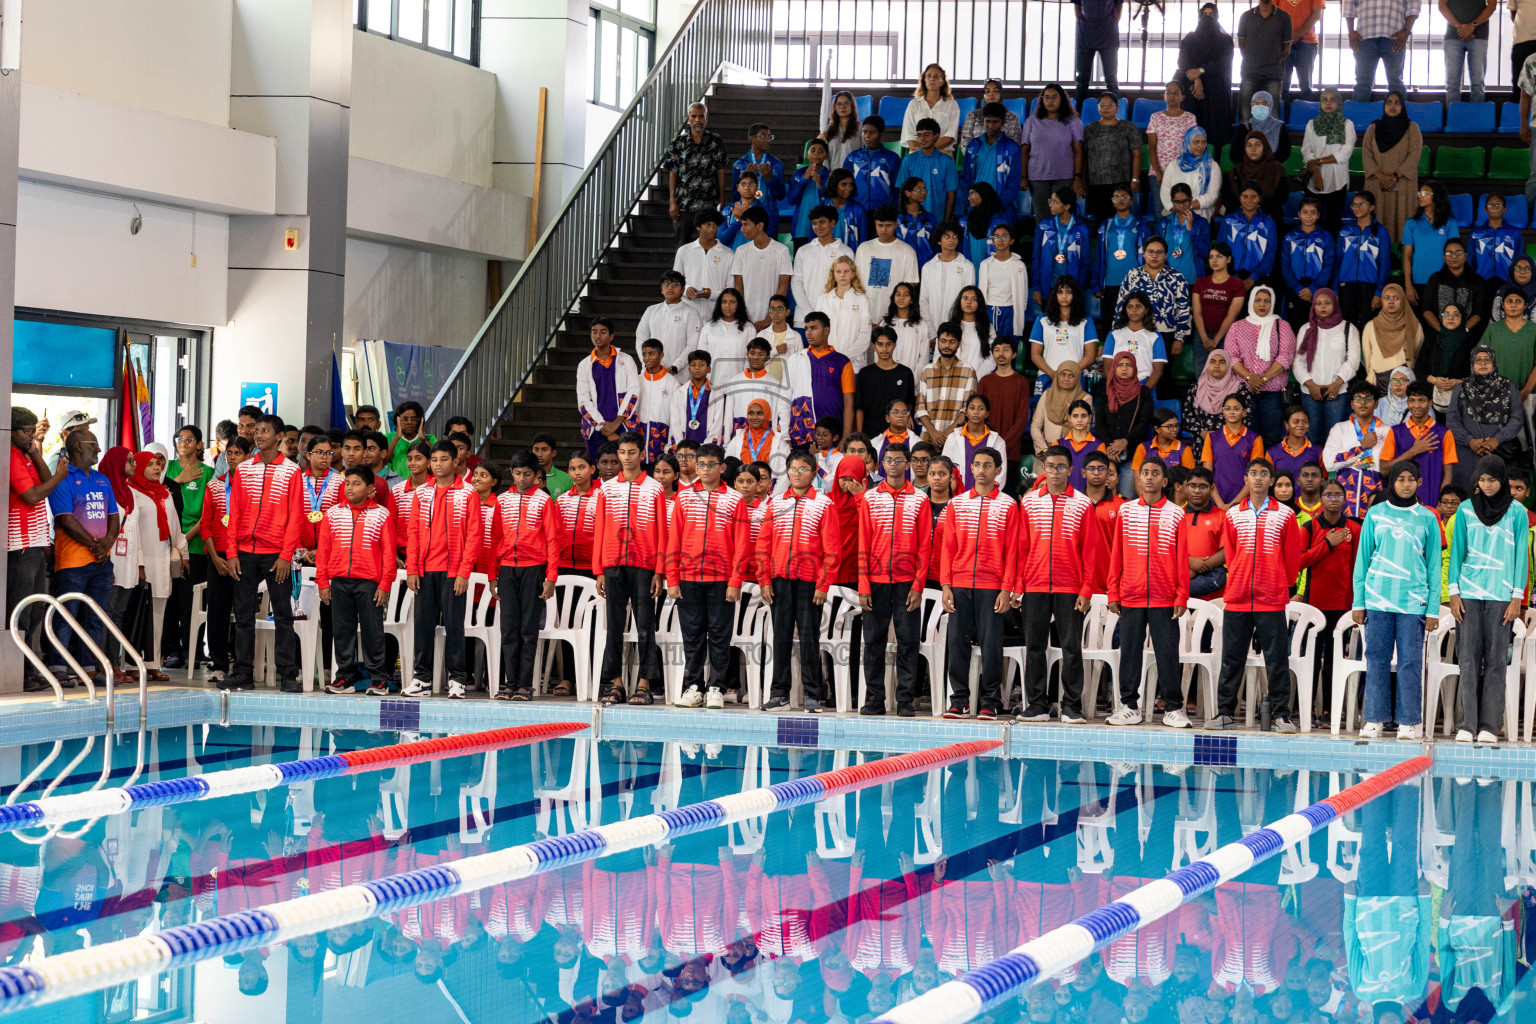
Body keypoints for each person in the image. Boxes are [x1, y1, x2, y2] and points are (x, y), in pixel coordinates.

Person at [1209, 459, 1304, 731]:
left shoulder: (1284, 515)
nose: (1259, 478)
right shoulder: (1233, 515)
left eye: (1264, 474)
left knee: (1276, 659)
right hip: (1238, 597)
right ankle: (1225, 713)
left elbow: (1292, 557)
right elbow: (1230, 554)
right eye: (1254, 474)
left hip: (1271, 598)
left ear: (1271, 480)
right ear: (1246, 479)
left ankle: (1281, 714)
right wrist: (1239, 578)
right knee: (1231, 657)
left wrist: (1279, 583)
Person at [1353, 460, 1440, 739]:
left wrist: (1433, 608)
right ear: (1392, 482)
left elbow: (1434, 566)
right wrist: (1359, 601)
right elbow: (1363, 559)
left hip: (1413, 602)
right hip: (1377, 599)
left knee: (1410, 662)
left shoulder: (1428, 517)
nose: (1405, 484)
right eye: (1400, 479)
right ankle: (1374, 719)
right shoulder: (1376, 514)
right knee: (1376, 658)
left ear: (1419, 483)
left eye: (1410, 479)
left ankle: (1408, 721)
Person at [1015, 445, 1099, 723]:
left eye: (1061, 467)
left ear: (1071, 470)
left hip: (1070, 587)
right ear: (1043, 469)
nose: (1055, 472)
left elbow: (1090, 550)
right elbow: (1021, 548)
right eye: (1050, 467)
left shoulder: (1083, 503)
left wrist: (1086, 590)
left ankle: (1071, 705)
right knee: (1034, 647)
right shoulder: (1029, 502)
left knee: (1071, 648)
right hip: (1035, 585)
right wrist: (1019, 585)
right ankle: (1037, 704)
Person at [1447, 455, 1528, 742]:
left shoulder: (1517, 512)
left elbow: (1521, 557)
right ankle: (1468, 725)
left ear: (1502, 480)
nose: (1487, 484)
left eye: (1492, 479)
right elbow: (1457, 552)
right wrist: (1453, 592)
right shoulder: (1467, 510)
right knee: (1467, 660)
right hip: (1468, 593)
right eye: (1482, 479)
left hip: (1501, 594)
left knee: (1495, 661)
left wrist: (1516, 597)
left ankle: (1489, 726)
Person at [1106, 459, 1191, 727]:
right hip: (1130, 594)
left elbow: (1181, 557)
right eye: (1145, 473)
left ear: (1165, 481)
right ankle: (1129, 706)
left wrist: (1181, 595)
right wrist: (1113, 592)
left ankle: (1173, 709)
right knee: (1129, 651)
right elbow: (1116, 553)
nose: (1150, 478)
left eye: (1156, 473)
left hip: (1164, 597)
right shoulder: (1126, 511)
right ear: (1139, 480)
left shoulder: (1176, 513)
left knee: (1167, 653)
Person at [225, 414, 305, 692]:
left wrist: (286, 556)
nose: (258, 435)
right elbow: (234, 513)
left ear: (279, 436)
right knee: (243, 615)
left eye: (265, 431)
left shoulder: (292, 471)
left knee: (283, 614)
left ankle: (287, 674)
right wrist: (231, 552)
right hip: (244, 552)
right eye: (256, 430)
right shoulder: (244, 470)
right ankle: (243, 672)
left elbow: (297, 517)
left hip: (276, 555)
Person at [667, 444, 748, 711]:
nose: (703, 469)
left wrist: (735, 581)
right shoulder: (684, 497)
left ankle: (716, 687)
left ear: (722, 468)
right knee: (692, 636)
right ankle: (693, 686)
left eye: (710, 464)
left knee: (719, 635)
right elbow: (674, 540)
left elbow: (742, 544)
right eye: (699, 464)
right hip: (688, 577)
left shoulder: (734, 499)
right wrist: (672, 578)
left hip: (722, 579)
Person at [758, 451, 839, 712]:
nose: (797, 474)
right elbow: (763, 545)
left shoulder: (824, 504)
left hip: (809, 583)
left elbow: (832, 550)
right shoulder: (776, 503)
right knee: (780, 637)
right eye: (792, 469)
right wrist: (764, 580)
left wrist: (822, 584)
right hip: (779, 580)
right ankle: (779, 693)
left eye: (803, 469)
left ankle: (813, 695)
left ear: (814, 473)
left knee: (809, 639)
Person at [592, 432, 669, 706]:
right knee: (613, 626)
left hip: (645, 564)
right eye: (622, 453)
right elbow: (599, 529)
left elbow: (662, 532)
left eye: (631, 452)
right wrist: (598, 569)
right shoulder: (607, 488)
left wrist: (660, 570)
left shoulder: (655, 488)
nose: (626, 458)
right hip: (613, 564)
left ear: (642, 453)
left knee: (645, 626)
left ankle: (645, 684)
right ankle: (615, 684)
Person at [856, 443, 932, 717]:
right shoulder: (870, 498)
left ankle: (905, 700)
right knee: (873, 643)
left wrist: (917, 585)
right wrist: (863, 584)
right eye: (887, 460)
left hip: (906, 583)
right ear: (881, 463)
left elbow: (925, 546)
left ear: (908, 463)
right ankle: (874, 700)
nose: (892, 465)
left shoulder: (919, 500)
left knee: (908, 643)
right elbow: (863, 544)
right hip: (875, 582)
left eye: (898, 460)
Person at [402, 440, 481, 699]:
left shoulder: (467, 493)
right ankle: (421, 679)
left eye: (443, 459)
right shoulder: (422, 493)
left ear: (456, 461)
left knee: (454, 627)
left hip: (452, 571)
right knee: (422, 626)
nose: (438, 464)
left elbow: (474, 536)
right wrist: (412, 568)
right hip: (424, 570)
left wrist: (463, 572)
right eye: (434, 460)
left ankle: (457, 679)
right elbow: (412, 533)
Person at [44, 428, 120, 689]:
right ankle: (59, 667)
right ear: (78, 447)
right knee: (67, 615)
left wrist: (106, 544)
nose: (99, 450)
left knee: (95, 616)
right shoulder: (63, 479)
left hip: (101, 561)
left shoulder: (102, 480)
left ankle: (88, 667)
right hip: (73, 562)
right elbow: (65, 519)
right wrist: (94, 545)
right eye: (94, 445)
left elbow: (113, 516)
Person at [315, 464, 396, 697]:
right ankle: (345, 678)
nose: (350, 488)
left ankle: (378, 679)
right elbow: (323, 552)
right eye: (347, 483)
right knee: (342, 631)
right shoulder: (332, 514)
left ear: (370, 488)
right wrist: (323, 582)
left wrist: (384, 584)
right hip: (339, 582)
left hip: (370, 584)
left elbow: (389, 554)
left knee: (373, 631)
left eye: (356, 483)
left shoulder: (382, 514)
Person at [8, 408, 66, 683]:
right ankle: (19, 671)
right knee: (21, 611)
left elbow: (44, 480)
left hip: (36, 542)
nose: (32, 435)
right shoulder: (9, 455)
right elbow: (32, 495)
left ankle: (29, 668)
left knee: (35, 612)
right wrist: (59, 478)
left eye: (34, 430)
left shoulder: (25, 455)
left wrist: (34, 452)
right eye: (27, 431)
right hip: (19, 545)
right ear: (12, 430)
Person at [1224, 284, 1297, 445]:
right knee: (1247, 437)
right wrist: (1250, 377)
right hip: (1244, 389)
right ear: (1251, 302)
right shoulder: (1237, 327)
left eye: (1267, 301)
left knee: (1271, 436)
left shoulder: (1282, 326)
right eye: (1258, 300)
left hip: (1273, 392)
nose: (1262, 304)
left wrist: (1261, 379)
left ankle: (1269, 469)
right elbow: (1232, 357)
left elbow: (1286, 357)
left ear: (1272, 303)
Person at [1448, 346, 1527, 489]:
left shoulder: (1508, 387)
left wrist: (1497, 439)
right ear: (1472, 364)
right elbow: (1452, 419)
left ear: (1494, 362)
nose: (1483, 363)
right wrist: (1469, 441)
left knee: (1498, 494)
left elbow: (1517, 418)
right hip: (1468, 453)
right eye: (1478, 360)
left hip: (1499, 451)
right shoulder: (1462, 388)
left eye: (1487, 360)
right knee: (1468, 494)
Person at [1111, 237, 1193, 368]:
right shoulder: (1133, 275)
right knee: (1136, 372)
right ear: (1144, 254)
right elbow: (1120, 307)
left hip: (1166, 334)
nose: (1155, 256)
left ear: (1165, 255)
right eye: (1150, 252)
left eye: (1159, 252)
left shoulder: (1177, 277)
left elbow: (1184, 309)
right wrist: (1115, 335)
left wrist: (1179, 339)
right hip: (1136, 333)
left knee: (1162, 377)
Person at [1294, 288, 1360, 445]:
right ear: (1313, 306)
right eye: (1318, 303)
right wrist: (1310, 384)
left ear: (1335, 304)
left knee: (1335, 438)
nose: (1323, 307)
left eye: (1327, 303)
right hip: (1310, 392)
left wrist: (1337, 384)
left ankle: (1333, 469)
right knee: (1311, 437)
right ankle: (1314, 469)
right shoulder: (1306, 329)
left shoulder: (1348, 328)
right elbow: (1298, 361)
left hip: (1338, 392)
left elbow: (1353, 360)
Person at [1359, 93, 1423, 247]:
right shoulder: (1373, 128)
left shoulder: (1411, 128)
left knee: (1402, 219)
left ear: (1402, 106)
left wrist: (1394, 176)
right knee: (1378, 219)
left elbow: (1414, 154)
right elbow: (1366, 154)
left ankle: (1401, 260)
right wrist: (1381, 176)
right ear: (1384, 106)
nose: (1393, 106)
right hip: (1377, 184)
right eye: (1389, 102)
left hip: (1403, 185)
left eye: (1397, 102)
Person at [1381, 379, 1459, 504]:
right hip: (1401, 503)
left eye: (1421, 400)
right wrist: (1414, 451)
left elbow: (1448, 474)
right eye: (1412, 400)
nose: (1416, 405)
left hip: (1433, 502)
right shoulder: (1395, 432)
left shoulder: (1444, 433)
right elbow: (1384, 470)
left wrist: (1441, 502)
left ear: (1430, 403)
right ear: (1407, 403)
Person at [784, 312, 856, 446]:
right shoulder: (797, 359)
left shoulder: (842, 361)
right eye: (806, 329)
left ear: (826, 330)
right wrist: (784, 434)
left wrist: (846, 435)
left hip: (834, 433)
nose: (808, 333)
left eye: (813, 328)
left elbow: (848, 401)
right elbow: (785, 398)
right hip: (803, 433)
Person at [664, 102, 730, 246]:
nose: (697, 120)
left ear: (707, 118)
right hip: (684, 205)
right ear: (688, 118)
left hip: (709, 203)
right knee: (682, 245)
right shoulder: (678, 142)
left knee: (710, 245)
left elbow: (720, 170)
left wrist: (722, 199)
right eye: (694, 116)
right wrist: (672, 202)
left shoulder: (715, 141)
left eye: (701, 116)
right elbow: (673, 171)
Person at [576, 318, 640, 461]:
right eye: (594, 332)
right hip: (596, 429)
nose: (598, 336)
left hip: (624, 425)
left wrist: (616, 422)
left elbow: (634, 391)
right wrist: (604, 428)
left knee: (627, 470)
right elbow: (583, 401)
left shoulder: (626, 360)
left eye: (603, 332)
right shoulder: (584, 365)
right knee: (597, 471)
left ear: (611, 336)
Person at [1177, 3, 1237, 152]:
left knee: (1215, 131)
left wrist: (1202, 71)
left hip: (1217, 93)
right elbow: (1183, 61)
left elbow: (1223, 63)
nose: (1208, 18)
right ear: (1199, 16)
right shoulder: (1189, 39)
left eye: (1211, 15)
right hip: (1193, 92)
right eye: (1205, 14)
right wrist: (1197, 79)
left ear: (1217, 17)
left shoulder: (1225, 40)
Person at [1019, 85, 1086, 218]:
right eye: (1047, 97)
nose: (1050, 101)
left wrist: (1078, 177)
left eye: (1054, 97)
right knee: (1042, 217)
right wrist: (1023, 177)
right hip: (1037, 178)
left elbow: (1078, 151)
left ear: (1062, 99)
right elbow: (1024, 151)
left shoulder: (1072, 121)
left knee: (1063, 217)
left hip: (1064, 177)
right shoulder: (1031, 121)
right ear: (1042, 100)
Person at [1324, 381, 1391, 515]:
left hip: (1376, 489)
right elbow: (1329, 463)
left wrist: (1353, 459)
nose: (1363, 402)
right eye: (1358, 399)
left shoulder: (1387, 431)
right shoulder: (1340, 429)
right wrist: (1361, 447)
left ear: (1376, 404)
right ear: (1352, 404)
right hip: (1346, 488)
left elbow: (1386, 466)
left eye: (1368, 399)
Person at [1094, 351, 1155, 496]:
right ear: (1114, 368)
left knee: (1127, 500)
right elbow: (1099, 423)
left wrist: (1125, 441)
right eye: (1120, 365)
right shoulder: (1106, 391)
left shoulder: (1143, 393)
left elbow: (1144, 423)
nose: (1124, 368)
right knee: (1104, 500)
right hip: (1108, 455)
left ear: (1135, 368)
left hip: (1132, 455)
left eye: (1128, 365)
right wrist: (1111, 446)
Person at [1335, 191, 1395, 332]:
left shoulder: (1381, 232)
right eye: (1354, 204)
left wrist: (1379, 292)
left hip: (1370, 286)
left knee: (1369, 327)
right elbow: (1338, 262)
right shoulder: (1345, 231)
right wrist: (1335, 288)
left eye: (1362, 204)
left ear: (1372, 207)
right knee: (1347, 327)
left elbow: (1384, 264)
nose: (1357, 207)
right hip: (1347, 285)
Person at [977, 337, 1032, 490]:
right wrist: (990, 445)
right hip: (986, 449)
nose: (1001, 354)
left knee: (1007, 497)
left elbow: (1022, 420)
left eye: (1006, 350)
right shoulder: (985, 382)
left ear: (1014, 354)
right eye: (997, 350)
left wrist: (1002, 445)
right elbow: (978, 416)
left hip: (1011, 452)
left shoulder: (1022, 382)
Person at [1091, 186, 1146, 330]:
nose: (1119, 200)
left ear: (1131, 200)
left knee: (1133, 327)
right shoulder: (1105, 225)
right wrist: (1096, 283)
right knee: (1111, 327)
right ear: (1112, 202)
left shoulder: (1140, 225)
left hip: (1134, 283)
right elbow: (1099, 256)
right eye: (1116, 197)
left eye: (1124, 196)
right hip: (1110, 283)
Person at [1083, 93, 1144, 223]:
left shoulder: (1128, 127)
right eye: (1102, 105)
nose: (1105, 108)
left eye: (1109, 105)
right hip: (1096, 183)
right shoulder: (1090, 129)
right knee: (1101, 220)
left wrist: (1135, 179)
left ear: (1117, 107)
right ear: (1098, 108)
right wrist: (1083, 180)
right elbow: (1084, 156)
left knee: (1122, 217)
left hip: (1121, 182)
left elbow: (1137, 154)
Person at [730, 208, 795, 328]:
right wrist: (743, 317)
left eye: (746, 225)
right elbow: (738, 288)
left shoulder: (781, 251)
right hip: (745, 319)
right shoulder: (741, 251)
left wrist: (768, 318)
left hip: (773, 320)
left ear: (759, 225)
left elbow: (783, 288)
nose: (742, 229)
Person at [1343, 0, 1418, 100]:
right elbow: (1349, 4)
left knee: (1395, 82)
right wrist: (1351, 32)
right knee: (1362, 84)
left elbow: (1414, 5)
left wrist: (1406, 31)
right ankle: (1359, 115)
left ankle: (1401, 116)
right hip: (1364, 37)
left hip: (1394, 37)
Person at [855, 206, 920, 321]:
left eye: (888, 226)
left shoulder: (907, 251)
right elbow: (856, 283)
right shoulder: (863, 248)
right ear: (875, 223)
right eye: (880, 225)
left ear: (896, 224)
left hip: (894, 317)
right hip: (864, 315)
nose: (883, 230)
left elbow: (909, 287)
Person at [1282, 200, 1337, 334]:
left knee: (1317, 328)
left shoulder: (1326, 237)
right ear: (1299, 214)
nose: (1308, 216)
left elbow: (1328, 265)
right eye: (1305, 212)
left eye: (1313, 213)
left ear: (1318, 215)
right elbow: (1285, 264)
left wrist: (1313, 288)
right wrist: (1297, 287)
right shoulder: (1290, 237)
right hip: (1295, 289)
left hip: (1317, 288)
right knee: (1295, 327)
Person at [1421, 239, 1485, 355]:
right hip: (1438, 334)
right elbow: (1426, 310)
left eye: (1458, 252)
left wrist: (1462, 330)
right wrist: (1442, 330)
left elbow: (1478, 313)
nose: (1454, 256)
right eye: (1449, 253)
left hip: (1466, 335)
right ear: (1444, 257)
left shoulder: (1477, 281)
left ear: (1465, 255)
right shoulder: (1435, 279)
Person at [1403, 182, 1461, 310]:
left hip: (1443, 281)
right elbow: (1407, 257)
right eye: (1420, 193)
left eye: (1425, 193)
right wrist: (1408, 285)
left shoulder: (1449, 223)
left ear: (1436, 196)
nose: (1420, 196)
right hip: (1418, 281)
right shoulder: (1411, 223)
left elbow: (1455, 255)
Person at [1203, 393, 1266, 507]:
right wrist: (1220, 504)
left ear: (1244, 412)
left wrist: (1233, 504)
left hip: (1244, 503)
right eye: (1227, 408)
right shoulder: (1211, 438)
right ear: (1223, 412)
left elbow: (1254, 476)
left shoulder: (1255, 439)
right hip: (1215, 502)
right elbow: (1207, 475)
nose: (1232, 412)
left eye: (1236, 408)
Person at [816, 254, 878, 370]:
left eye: (846, 271)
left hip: (854, 365)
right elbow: (817, 333)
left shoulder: (861, 299)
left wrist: (844, 356)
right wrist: (829, 355)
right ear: (833, 274)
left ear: (853, 274)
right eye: (838, 271)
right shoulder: (823, 300)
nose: (842, 275)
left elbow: (865, 334)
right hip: (826, 363)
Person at [959, 105, 1023, 216]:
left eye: (995, 122)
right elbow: (965, 177)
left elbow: (1014, 182)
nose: (990, 125)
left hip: (1001, 208)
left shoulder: (1012, 148)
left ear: (1002, 122)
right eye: (987, 121)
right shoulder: (973, 146)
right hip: (975, 205)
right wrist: (969, 201)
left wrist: (999, 204)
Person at [1146, 84, 1198, 218]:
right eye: (1168, 93)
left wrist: (1185, 172)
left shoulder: (1189, 118)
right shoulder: (1155, 117)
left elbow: (1192, 146)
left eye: (1176, 93)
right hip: (1159, 171)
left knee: (1182, 211)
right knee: (1160, 212)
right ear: (1164, 96)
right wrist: (1158, 172)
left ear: (1182, 97)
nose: (1172, 96)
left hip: (1182, 171)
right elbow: (1151, 147)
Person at [635, 270, 703, 374]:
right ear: (662, 289)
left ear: (683, 289)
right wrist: (647, 362)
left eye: (675, 284)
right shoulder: (651, 311)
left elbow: (692, 344)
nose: (670, 287)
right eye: (666, 284)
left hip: (678, 374)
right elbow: (641, 338)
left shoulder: (691, 313)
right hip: (651, 372)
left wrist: (675, 367)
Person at [1478, 287, 1536, 408]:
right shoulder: (1493, 329)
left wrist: (1525, 391)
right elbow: (1480, 361)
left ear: (1525, 306)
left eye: (1518, 301)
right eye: (1509, 301)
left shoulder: (1533, 330)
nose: (1513, 305)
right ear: (1503, 305)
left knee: (1530, 426)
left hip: (1529, 394)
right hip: (1496, 393)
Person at [855, 327, 917, 437]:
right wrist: (860, 435)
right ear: (874, 346)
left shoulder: (905, 373)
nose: (884, 349)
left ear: (894, 345)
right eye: (880, 344)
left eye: (888, 344)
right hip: (871, 432)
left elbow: (909, 403)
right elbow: (860, 408)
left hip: (898, 432)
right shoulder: (865, 374)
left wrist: (906, 415)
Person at [1183, 349, 1249, 453]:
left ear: (1228, 365)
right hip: (1202, 443)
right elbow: (1187, 417)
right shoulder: (1196, 389)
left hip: (1231, 443)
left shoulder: (1239, 389)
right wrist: (1202, 433)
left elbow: (1246, 417)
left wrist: (1226, 435)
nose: (1217, 365)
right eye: (1212, 361)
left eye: (1222, 362)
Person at [674, 209, 734, 321]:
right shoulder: (684, 251)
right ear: (698, 227)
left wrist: (712, 294)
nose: (712, 229)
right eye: (707, 225)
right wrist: (686, 290)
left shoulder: (728, 254)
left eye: (715, 225)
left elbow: (730, 287)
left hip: (716, 315)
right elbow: (676, 281)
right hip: (688, 313)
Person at [1218, 182, 1280, 288]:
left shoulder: (1268, 223)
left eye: (1253, 197)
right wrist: (1233, 274)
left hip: (1258, 277)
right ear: (1240, 198)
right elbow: (1220, 249)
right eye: (1245, 196)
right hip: (1230, 275)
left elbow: (1270, 253)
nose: (1249, 201)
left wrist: (1253, 278)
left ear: (1259, 198)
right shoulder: (1229, 220)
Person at [897, 119, 959, 225]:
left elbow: (951, 193)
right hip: (912, 220)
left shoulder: (947, 161)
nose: (922, 139)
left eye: (927, 134)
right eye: (919, 135)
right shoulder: (908, 160)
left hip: (938, 219)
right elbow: (902, 191)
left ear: (936, 136)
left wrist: (947, 220)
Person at [1236, 2, 1294, 115]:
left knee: (1273, 116)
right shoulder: (1246, 16)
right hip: (1249, 73)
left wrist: (1272, 59)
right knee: (1245, 116)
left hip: (1273, 75)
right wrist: (1253, 60)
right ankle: (1248, 134)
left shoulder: (1284, 17)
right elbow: (1242, 46)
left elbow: (1286, 49)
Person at [942, 394, 1009, 491]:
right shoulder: (953, 438)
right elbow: (945, 468)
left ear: (987, 414)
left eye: (981, 408)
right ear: (966, 413)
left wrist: (987, 494)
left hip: (987, 497)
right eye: (972, 408)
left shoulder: (998, 442)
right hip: (957, 496)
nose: (976, 412)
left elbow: (1000, 474)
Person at [1361, 283, 1422, 387]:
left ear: (1403, 300)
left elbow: (1417, 352)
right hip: (1377, 382)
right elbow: (1367, 358)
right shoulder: (1371, 326)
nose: (1391, 302)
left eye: (1396, 298)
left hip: (1404, 383)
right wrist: (1372, 378)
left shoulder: (1414, 325)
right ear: (1382, 301)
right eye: (1386, 298)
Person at [977, 224, 1029, 342]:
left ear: (1012, 240)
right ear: (993, 241)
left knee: (1009, 344)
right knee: (990, 344)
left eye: (1004, 236)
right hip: (990, 310)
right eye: (996, 237)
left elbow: (1023, 295)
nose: (1000, 240)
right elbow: (981, 291)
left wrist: (1019, 311)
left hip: (1011, 311)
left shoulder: (1019, 265)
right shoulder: (985, 264)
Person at [1419, 301, 1474, 413]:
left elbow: (1478, 374)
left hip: (1462, 401)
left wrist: (1458, 382)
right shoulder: (1432, 340)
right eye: (1446, 314)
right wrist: (1435, 380)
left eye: (1455, 314)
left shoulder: (1471, 342)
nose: (1450, 318)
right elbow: (1419, 369)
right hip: (1432, 401)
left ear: (1463, 318)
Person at [1225, 131, 1287, 226]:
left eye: (1257, 145)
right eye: (1249, 145)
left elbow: (1281, 197)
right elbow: (1227, 197)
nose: (1253, 149)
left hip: (1268, 216)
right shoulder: (1236, 171)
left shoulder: (1277, 170)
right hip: (1240, 216)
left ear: (1265, 147)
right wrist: (1246, 209)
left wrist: (1256, 209)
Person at [919, 221, 975, 326]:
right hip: (933, 327)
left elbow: (968, 300)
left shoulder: (967, 266)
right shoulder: (928, 267)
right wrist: (930, 332)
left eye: (955, 236)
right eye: (947, 236)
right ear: (939, 241)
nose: (951, 240)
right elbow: (923, 301)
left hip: (958, 327)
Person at [1442, 0, 1496, 104]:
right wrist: (1460, 28)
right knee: (1452, 84)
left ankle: (1476, 118)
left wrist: (1472, 25)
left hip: (1479, 35)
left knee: (1477, 83)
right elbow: (1442, 6)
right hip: (1453, 36)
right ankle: (1454, 118)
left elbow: (1492, 6)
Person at [697, 288, 754, 381]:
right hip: (712, 383)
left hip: (739, 383)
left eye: (732, 302)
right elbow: (701, 358)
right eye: (724, 302)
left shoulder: (749, 328)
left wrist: (746, 380)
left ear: (739, 304)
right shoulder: (709, 327)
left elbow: (750, 358)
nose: (727, 306)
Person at [1031, 362, 1089, 453]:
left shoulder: (1085, 398)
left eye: (1071, 376)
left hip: (1071, 453)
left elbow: (1084, 430)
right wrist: (1044, 449)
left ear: (1077, 378)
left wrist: (1063, 453)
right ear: (1057, 376)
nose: (1066, 379)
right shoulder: (1047, 394)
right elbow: (1035, 426)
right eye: (1063, 374)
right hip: (1045, 453)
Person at [901, 64, 961, 153]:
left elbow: (949, 137)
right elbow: (909, 134)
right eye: (928, 76)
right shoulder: (913, 104)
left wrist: (928, 150)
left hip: (942, 152)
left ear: (942, 81)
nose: (932, 79)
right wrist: (921, 152)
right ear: (924, 80)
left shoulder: (952, 105)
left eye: (936, 76)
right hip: (917, 152)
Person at [786, 141, 832, 249]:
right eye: (813, 150)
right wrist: (804, 180)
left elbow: (830, 202)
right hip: (801, 227)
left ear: (826, 156)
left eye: (821, 151)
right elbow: (791, 199)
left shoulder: (830, 176)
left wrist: (820, 185)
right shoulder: (798, 174)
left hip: (823, 229)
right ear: (807, 154)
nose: (816, 154)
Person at [1278, 0, 1326, 103]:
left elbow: (1317, 13)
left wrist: (1298, 34)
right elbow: (1273, 12)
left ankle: (1306, 117)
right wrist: (1289, 35)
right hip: (1283, 42)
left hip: (1307, 42)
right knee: (1282, 86)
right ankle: (1281, 117)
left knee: (1306, 85)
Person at [719, 170, 780, 249]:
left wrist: (747, 219)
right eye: (743, 184)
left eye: (751, 184)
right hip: (733, 257)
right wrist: (738, 220)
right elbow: (721, 240)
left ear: (757, 187)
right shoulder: (728, 210)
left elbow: (769, 238)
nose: (747, 188)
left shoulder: (765, 211)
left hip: (756, 257)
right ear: (738, 188)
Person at [883, 281, 934, 371]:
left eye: (906, 295)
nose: (901, 298)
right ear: (893, 298)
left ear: (912, 300)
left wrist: (913, 379)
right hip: (887, 376)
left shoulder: (921, 324)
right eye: (898, 294)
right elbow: (879, 353)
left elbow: (924, 357)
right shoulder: (885, 323)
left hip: (912, 377)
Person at [1269, 404, 1323, 481]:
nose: (1301, 425)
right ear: (1286, 425)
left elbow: (1323, 479)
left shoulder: (1319, 451)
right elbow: (1268, 482)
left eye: (1305, 422)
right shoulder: (1272, 453)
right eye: (1296, 422)